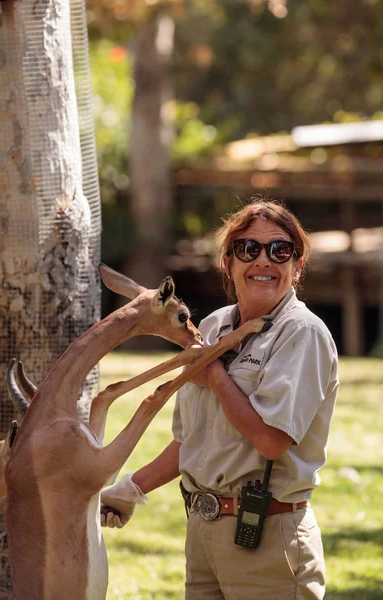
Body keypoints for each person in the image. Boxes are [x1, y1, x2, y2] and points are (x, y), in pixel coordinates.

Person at [101, 197, 339, 600]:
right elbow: (191, 442)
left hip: (269, 537)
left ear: (297, 266)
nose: (263, 261)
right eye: (248, 249)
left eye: (280, 250)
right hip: (202, 533)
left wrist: (214, 374)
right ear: (228, 263)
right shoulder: (212, 326)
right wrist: (130, 490)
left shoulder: (303, 334)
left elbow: (271, 440)